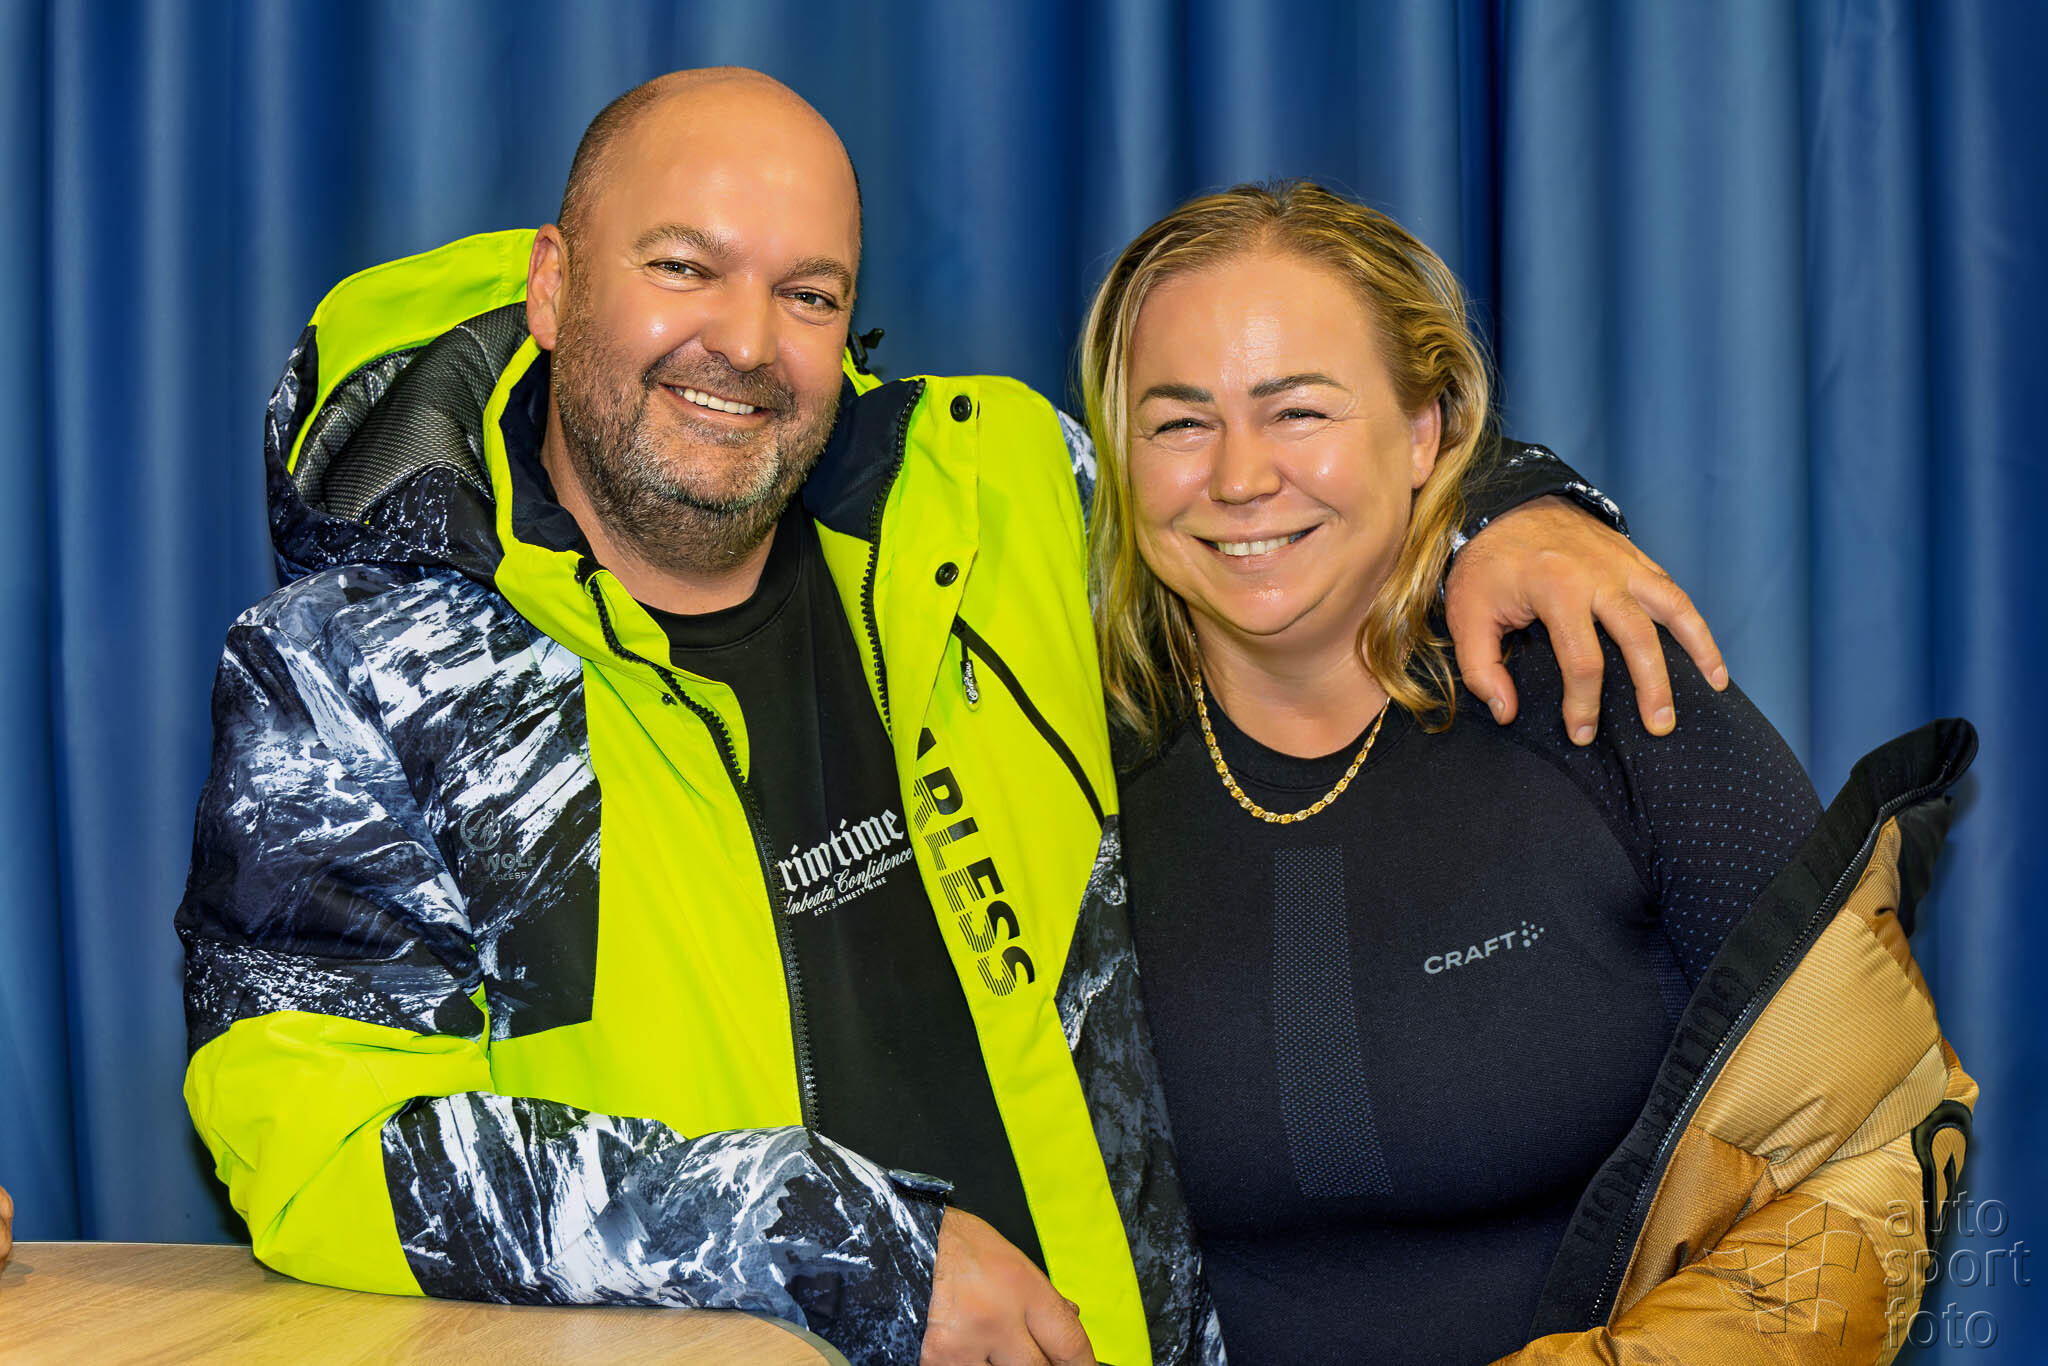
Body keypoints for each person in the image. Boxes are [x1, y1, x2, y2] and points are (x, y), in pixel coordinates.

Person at [180, 70, 1723, 1366]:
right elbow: (307, 1133)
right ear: (554, 282)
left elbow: (1258, 497)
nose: (745, 341)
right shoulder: (348, 673)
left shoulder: (995, 501)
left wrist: (1514, 506)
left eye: (808, 294)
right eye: (684, 267)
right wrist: (840, 1240)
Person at [1082, 180, 1977, 1364]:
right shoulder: (1062, 770)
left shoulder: (1605, 697)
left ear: (1424, 432)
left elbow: (1872, 1148)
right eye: (1178, 423)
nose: (1239, 477)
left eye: (1296, 410)